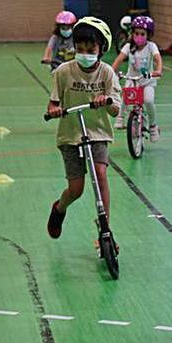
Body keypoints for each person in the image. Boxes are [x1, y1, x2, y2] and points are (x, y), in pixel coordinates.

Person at [46, 17, 121, 240]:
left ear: (101, 49)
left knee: (100, 175)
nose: (84, 53)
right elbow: (53, 102)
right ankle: (59, 208)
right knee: (76, 189)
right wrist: (54, 110)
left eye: (90, 49)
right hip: (70, 134)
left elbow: (116, 109)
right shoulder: (63, 72)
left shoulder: (107, 73)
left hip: (97, 132)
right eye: (80, 49)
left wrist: (106, 101)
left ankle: (105, 230)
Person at [111, 16, 163, 140]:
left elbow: (157, 59)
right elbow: (118, 60)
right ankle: (120, 118)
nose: (139, 36)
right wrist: (111, 72)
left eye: (142, 34)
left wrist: (158, 70)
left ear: (148, 35)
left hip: (147, 81)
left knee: (149, 101)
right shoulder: (129, 47)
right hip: (132, 79)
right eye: (136, 33)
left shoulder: (151, 46)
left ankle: (153, 126)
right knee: (124, 96)